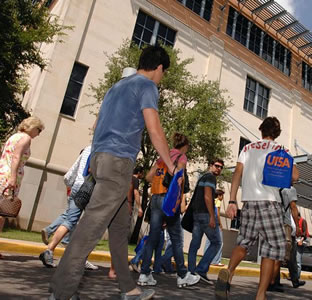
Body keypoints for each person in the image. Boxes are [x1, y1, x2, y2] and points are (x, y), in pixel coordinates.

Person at [49, 45, 176, 300]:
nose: (161, 78)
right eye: (163, 73)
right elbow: (154, 131)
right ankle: (61, 292)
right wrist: (171, 166)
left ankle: (129, 289)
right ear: (159, 67)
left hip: (100, 159)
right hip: (118, 163)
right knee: (90, 229)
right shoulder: (147, 86)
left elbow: (97, 125)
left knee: (119, 230)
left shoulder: (116, 87)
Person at [215, 116, 299, 300]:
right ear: (276, 133)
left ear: (261, 130)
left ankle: (229, 272)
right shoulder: (281, 150)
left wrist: (232, 201)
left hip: (249, 202)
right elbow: (294, 176)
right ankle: (260, 295)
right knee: (271, 248)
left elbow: (238, 172)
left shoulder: (247, 148)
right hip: (270, 202)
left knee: (243, 243)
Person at [138, 133, 200, 288]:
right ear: (185, 146)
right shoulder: (182, 158)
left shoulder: (162, 157)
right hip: (169, 199)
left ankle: (144, 274)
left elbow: (148, 177)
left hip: (156, 198)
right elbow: (179, 181)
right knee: (177, 239)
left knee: (153, 238)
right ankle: (182, 275)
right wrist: (178, 203)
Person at [39, 145, 98, 271]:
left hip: (77, 186)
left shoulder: (88, 148)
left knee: (69, 219)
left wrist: (71, 185)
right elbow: (93, 169)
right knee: (92, 224)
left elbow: (73, 169)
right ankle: (78, 258)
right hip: (89, 189)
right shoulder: (103, 149)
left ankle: (50, 249)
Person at [0, 116, 44, 258]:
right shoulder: (26, 138)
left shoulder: (14, 136)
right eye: (39, 130)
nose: (39, 133)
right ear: (33, 127)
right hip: (9, 176)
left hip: (3, 171)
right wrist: (13, 177)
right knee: (2, 213)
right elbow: (16, 157)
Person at [188, 159, 224, 283]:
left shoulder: (202, 177)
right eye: (217, 166)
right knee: (216, 242)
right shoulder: (210, 178)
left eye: (221, 167)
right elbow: (208, 197)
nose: (219, 169)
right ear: (210, 165)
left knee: (195, 244)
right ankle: (201, 270)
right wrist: (212, 217)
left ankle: (191, 272)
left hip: (196, 215)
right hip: (205, 215)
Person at [268, 186, 303, 292]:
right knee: (281, 256)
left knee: (273, 254)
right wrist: (297, 226)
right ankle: (272, 283)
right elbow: (293, 207)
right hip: (284, 224)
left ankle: (274, 281)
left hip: (273, 222)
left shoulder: (274, 188)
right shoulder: (290, 189)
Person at [204, 189, 225, 267]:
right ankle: (216, 260)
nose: (222, 197)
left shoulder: (211, 201)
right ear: (219, 195)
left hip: (209, 223)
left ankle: (206, 259)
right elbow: (218, 215)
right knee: (220, 242)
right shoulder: (218, 202)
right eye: (222, 195)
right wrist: (220, 224)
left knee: (208, 241)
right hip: (215, 224)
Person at [297, 212, 309, 280]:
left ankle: (297, 277)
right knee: (294, 260)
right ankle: (294, 276)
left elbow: (304, 232)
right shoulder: (296, 221)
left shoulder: (303, 221)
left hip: (301, 241)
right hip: (296, 241)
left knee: (298, 261)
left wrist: (301, 240)